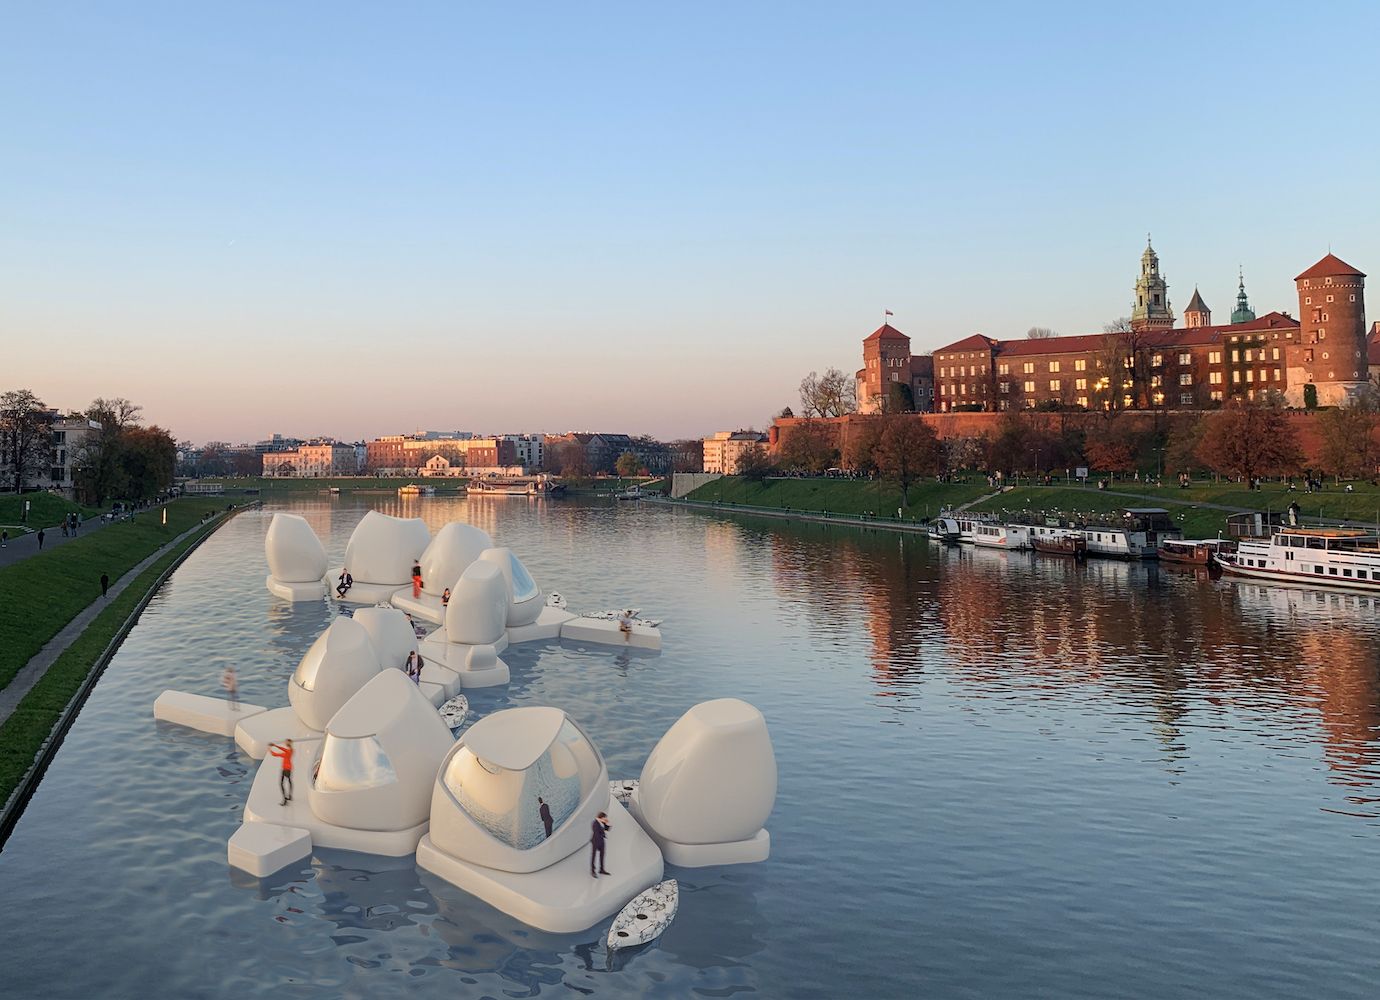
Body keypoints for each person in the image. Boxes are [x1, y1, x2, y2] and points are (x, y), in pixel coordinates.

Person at [269, 739, 294, 805]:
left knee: (281, 783)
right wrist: (271, 748)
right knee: (289, 781)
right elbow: (274, 754)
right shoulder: (289, 752)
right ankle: (289, 796)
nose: (285, 743)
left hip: (285, 769)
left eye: (286, 742)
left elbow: (281, 750)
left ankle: (285, 799)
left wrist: (273, 746)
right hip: (288, 769)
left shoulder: (288, 752)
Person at [590, 812, 611, 877]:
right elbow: (597, 834)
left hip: (601, 841)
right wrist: (603, 835)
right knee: (594, 856)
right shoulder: (594, 823)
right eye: (605, 818)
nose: (605, 819)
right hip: (595, 841)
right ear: (601, 817)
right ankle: (593, 871)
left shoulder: (602, 822)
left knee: (602, 855)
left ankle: (601, 869)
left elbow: (607, 829)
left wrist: (607, 823)